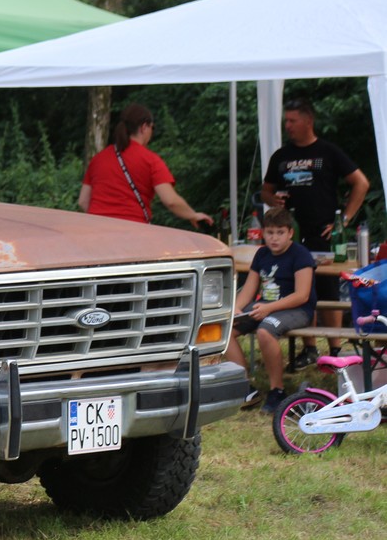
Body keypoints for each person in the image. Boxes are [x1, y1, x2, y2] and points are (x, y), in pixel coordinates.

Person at [260, 97, 370, 367]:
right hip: (291, 235)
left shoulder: (328, 151)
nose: (287, 126)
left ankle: (334, 352)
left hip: (324, 232)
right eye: (285, 121)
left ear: (308, 121)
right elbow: (266, 189)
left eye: (292, 120)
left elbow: (361, 183)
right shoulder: (281, 156)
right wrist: (272, 200)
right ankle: (309, 348)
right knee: (298, 289)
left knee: (328, 289)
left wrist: (343, 219)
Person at [226, 207, 316, 414]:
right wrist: (238, 308)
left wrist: (269, 308)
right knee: (225, 328)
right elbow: (249, 288)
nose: (274, 238)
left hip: (297, 309)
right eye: (270, 232)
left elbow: (302, 295)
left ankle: (277, 391)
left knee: (265, 331)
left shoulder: (301, 255)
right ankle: (245, 387)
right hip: (265, 306)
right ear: (263, 233)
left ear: (290, 233)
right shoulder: (262, 254)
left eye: (280, 233)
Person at [78, 104, 213, 229]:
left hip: (96, 231)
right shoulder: (150, 160)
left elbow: (83, 201)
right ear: (144, 127)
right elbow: (170, 200)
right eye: (152, 127)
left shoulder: (98, 159)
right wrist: (193, 215)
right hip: (132, 232)